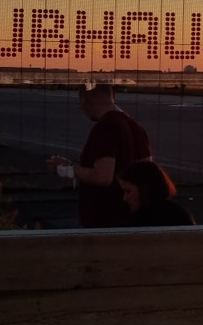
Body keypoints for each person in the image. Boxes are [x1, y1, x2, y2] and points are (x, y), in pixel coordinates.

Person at [49, 84, 152, 228]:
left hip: (104, 218)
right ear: (113, 96)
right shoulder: (137, 127)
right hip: (132, 217)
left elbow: (103, 177)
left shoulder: (105, 127)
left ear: (84, 99)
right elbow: (148, 173)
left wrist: (67, 168)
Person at [118, 159, 195, 226]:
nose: (125, 198)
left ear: (144, 189)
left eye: (128, 191)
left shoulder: (139, 220)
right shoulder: (181, 214)